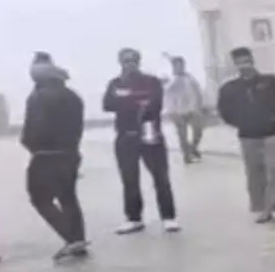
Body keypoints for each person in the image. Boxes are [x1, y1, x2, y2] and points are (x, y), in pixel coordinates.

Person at [103, 48, 180, 234]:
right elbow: (107, 105)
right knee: (129, 179)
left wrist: (126, 99)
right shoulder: (115, 83)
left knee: (161, 178)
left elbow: (155, 105)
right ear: (120, 63)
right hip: (125, 136)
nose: (129, 64)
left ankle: (168, 217)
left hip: (150, 134)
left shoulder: (151, 82)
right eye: (126, 61)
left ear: (138, 62)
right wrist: (136, 101)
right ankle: (134, 218)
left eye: (133, 60)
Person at [217, 47, 275, 225]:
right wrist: (240, 122)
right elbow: (224, 110)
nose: (244, 65)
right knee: (255, 173)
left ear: (252, 61)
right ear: (235, 64)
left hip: (273, 132)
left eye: (246, 61)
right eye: (239, 62)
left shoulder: (271, 81)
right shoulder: (230, 88)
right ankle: (263, 209)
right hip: (248, 135)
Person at [22, 53, 88, 261]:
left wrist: (29, 143)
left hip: (45, 155)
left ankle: (71, 238)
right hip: (70, 153)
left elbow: (34, 128)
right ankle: (78, 239)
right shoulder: (72, 95)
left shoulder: (39, 97)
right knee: (68, 198)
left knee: (40, 198)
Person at [164, 56, 205, 163]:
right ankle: (186, 156)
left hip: (192, 110)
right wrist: (171, 112)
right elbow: (167, 97)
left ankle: (192, 148)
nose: (179, 67)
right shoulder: (171, 81)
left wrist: (198, 107)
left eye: (181, 65)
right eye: (176, 65)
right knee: (182, 135)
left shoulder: (190, 78)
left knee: (198, 131)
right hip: (177, 112)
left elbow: (197, 93)